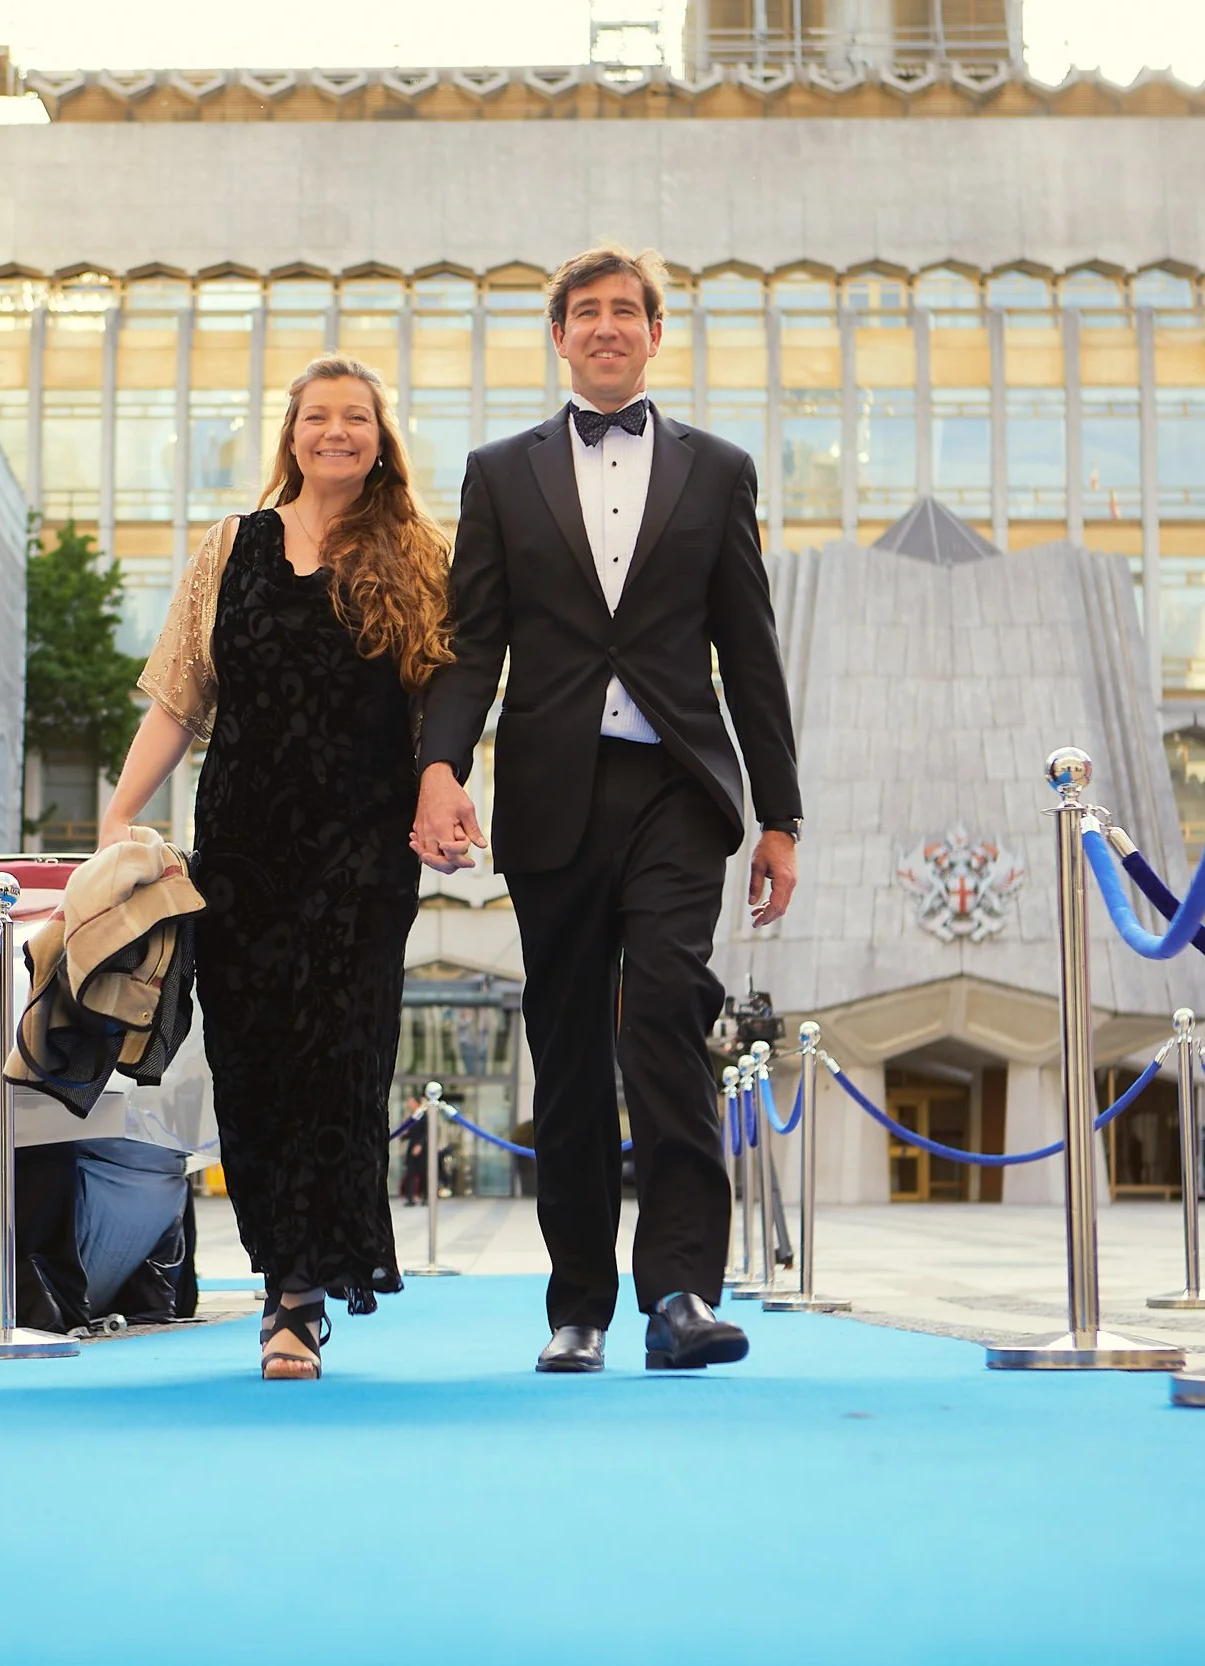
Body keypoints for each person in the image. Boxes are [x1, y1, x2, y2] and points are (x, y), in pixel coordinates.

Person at [412, 246, 801, 1375]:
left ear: (653, 332)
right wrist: (442, 766)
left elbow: (750, 650)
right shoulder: (499, 472)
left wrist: (780, 814)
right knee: (570, 1048)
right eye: (585, 312)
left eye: (625, 309)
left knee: (668, 1014)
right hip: (551, 789)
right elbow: (472, 639)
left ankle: (679, 1289)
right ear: (560, 335)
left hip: (678, 786)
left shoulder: (719, 471)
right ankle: (575, 1305)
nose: (606, 325)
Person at [103, 355, 452, 1380]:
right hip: (244, 847)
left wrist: (445, 792)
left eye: (356, 418)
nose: (335, 432)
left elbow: (444, 705)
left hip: (362, 853)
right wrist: (121, 811)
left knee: (337, 1059)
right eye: (317, 417)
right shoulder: (229, 547)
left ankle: (299, 1294)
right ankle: (277, 1272)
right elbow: (177, 697)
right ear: (290, 433)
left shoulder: (420, 554)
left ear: (381, 439)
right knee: (252, 1062)